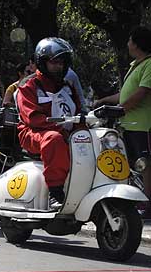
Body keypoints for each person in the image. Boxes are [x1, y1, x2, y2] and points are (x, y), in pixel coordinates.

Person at [17, 37, 82, 209]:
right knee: (53, 139)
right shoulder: (29, 86)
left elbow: (79, 113)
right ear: (42, 62)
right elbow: (32, 118)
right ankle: (55, 191)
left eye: (61, 63)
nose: (58, 67)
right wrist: (61, 130)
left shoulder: (68, 86)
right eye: (54, 62)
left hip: (66, 132)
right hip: (33, 133)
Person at [93, 26, 151, 218]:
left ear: (136, 43)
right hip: (128, 125)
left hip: (143, 125)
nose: (127, 44)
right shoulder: (136, 64)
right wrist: (103, 101)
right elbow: (124, 94)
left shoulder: (149, 64)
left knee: (145, 164)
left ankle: (147, 203)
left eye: (129, 41)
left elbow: (142, 93)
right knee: (132, 164)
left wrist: (121, 110)